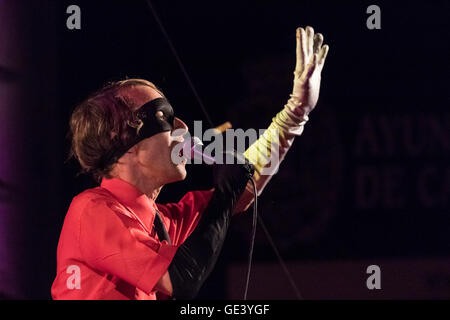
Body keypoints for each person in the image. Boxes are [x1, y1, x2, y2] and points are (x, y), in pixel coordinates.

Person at [51, 26, 329, 300]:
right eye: (162, 117)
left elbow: (242, 188)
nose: (182, 126)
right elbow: (180, 279)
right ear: (123, 142)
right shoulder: (92, 210)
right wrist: (225, 197)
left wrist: (296, 112)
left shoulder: (163, 222)